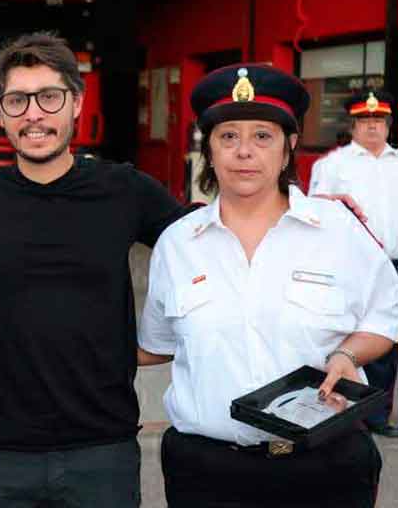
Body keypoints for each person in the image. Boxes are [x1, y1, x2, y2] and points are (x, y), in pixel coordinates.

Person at [0, 31, 188, 507]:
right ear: (0, 111)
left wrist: (163, 341)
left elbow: (211, 252)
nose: (33, 114)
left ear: (76, 103)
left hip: (102, 450)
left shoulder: (125, 191)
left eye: (49, 97)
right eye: (17, 100)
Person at [138, 65, 398, 507]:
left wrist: (347, 354)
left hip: (325, 469)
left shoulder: (338, 230)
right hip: (208, 474)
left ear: (288, 146)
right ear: (209, 149)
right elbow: (156, 343)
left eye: (262, 136)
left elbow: (385, 316)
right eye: (228, 137)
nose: (244, 151)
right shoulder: (178, 244)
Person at [309, 88, 398, 437]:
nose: (372, 126)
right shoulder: (332, 165)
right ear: (353, 125)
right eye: (365, 120)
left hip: (396, 261)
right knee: (362, 337)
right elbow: (317, 216)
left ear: (388, 124)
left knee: (391, 341)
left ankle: (380, 415)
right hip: (355, 266)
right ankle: (360, 413)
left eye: (379, 120)